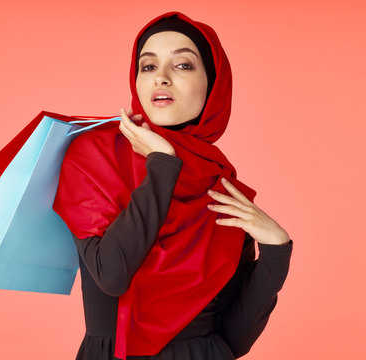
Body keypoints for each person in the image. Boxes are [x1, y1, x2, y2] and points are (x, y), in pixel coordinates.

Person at [53, 11, 293, 360]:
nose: (161, 78)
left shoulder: (219, 185)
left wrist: (276, 251)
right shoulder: (93, 156)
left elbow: (232, 339)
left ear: (213, 84)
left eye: (182, 66)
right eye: (148, 67)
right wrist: (163, 165)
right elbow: (112, 274)